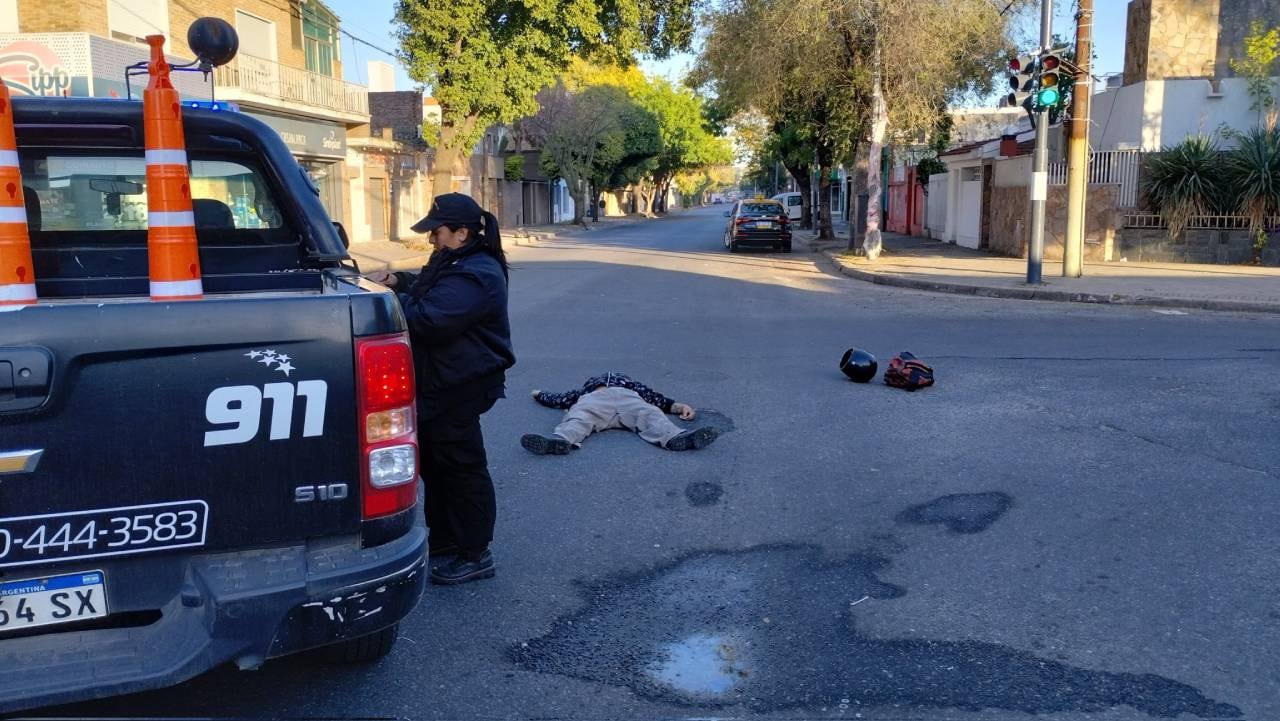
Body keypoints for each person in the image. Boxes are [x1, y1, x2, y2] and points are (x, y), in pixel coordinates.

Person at [366, 193, 513, 586]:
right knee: (437, 465)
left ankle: (475, 552)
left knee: (462, 469)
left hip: (460, 384)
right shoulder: (455, 260)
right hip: (439, 380)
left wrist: (385, 299)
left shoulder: (478, 273)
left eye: (438, 232)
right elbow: (428, 288)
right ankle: (448, 543)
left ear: (462, 233)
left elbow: (428, 317)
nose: (432, 240)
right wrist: (400, 281)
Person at [522, 373, 719, 454]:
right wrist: (540, 395)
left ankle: (678, 438)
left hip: (628, 400)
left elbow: (659, 400)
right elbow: (560, 399)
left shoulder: (633, 386)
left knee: (650, 413)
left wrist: (680, 406)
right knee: (579, 416)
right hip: (597, 401)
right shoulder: (587, 390)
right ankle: (560, 441)